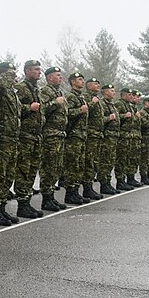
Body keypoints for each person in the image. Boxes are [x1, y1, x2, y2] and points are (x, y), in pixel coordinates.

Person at [0, 61, 21, 226]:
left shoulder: (12, 92)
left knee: (8, 176)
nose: (14, 76)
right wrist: (6, 73)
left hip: (11, 139)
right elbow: (0, 87)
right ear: (2, 74)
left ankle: (2, 208)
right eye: (11, 73)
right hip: (0, 140)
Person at [14, 60, 45, 218]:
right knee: (23, 170)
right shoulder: (20, 88)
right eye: (36, 69)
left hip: (36, 136)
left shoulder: (36, 89)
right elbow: (13, 109)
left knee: (32, 170)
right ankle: (22, 204)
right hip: (25, 136)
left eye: (39, 69)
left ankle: (26, 201)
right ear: (27, 71)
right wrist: (29, 108)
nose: (39, 72)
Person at [38, 66, 67, 212]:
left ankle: (51, 196)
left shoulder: (59, 92)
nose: (60, 77)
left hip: (59, 134)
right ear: (49, 78)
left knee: (56, 167)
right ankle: (46, 198)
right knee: (48, 167)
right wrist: (55, 103)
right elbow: (41, 109)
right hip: (49, 135)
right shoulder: (45, 91)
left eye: (61, 75)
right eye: (57, 75)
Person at [64, 72, 89, 205]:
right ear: (73, 82)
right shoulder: (71, 96)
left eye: (83, 79)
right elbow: (66, 113)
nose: (82, 82)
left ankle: (75, 192)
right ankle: (70, 193)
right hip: (73, 136)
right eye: (80, 79)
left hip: (81, 136)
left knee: (79, 165)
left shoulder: (81, 97)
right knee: (72, 165)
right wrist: (80, 110)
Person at [82, 77, 104, 201]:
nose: (98, 86)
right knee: (89, 162)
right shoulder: (86, 97)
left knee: (94, 162)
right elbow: (83, 112)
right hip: (90, 134)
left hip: (97, 135)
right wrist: (92, 103)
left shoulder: (97, 99)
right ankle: (87, 187)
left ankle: (89, 187)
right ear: (89, 86)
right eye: (95, 84)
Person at [98, 83, 120, 194]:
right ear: (105, 92)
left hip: (113, 137)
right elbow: (98, 119)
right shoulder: (102, 103)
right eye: (111, 91)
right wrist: (108, 118)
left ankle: (107, 182)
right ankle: (103, 184)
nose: (114, 93)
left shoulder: (112, 105)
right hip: (106, 137)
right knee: (105, 161)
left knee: (110, 161)